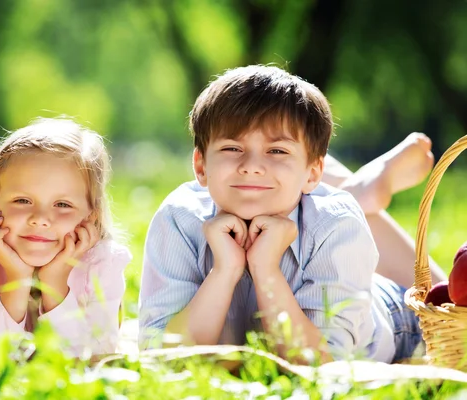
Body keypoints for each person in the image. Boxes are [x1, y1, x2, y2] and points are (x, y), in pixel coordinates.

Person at [138, 65, 447, 364]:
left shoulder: (336, 223)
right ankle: (356, 187)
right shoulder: (179, 218)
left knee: (443, 302)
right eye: (232, 148)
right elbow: (164, 356)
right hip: (313, 213)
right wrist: (225, 270)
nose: (251, 165)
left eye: (276, 151)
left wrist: (266, 269)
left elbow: (320, 363)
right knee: (294, 176)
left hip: (389, 313)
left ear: (315, 175)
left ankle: (353, 190)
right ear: (201, 166)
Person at [0, 118, 132, 356]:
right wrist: (17, 280)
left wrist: (55, 281)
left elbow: (92, 358)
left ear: (90, 216)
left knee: (16, 223)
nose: (40, 218)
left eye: (62, 204)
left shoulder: (103, 262)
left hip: (16, 231)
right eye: (23, 200)